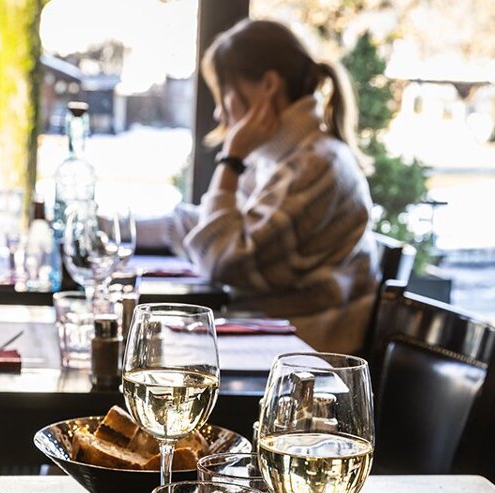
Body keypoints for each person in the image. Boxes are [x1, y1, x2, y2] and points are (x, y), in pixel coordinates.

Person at [139, 18, 378, 353]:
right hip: (272, 342)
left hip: (305, 363)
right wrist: (108, 230)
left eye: (223, 94)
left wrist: (231, 159)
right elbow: (209, 230)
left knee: (150, 350)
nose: (220, 114)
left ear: (267, 85)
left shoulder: (316, 165)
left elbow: (222, 261)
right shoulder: (283, 158)